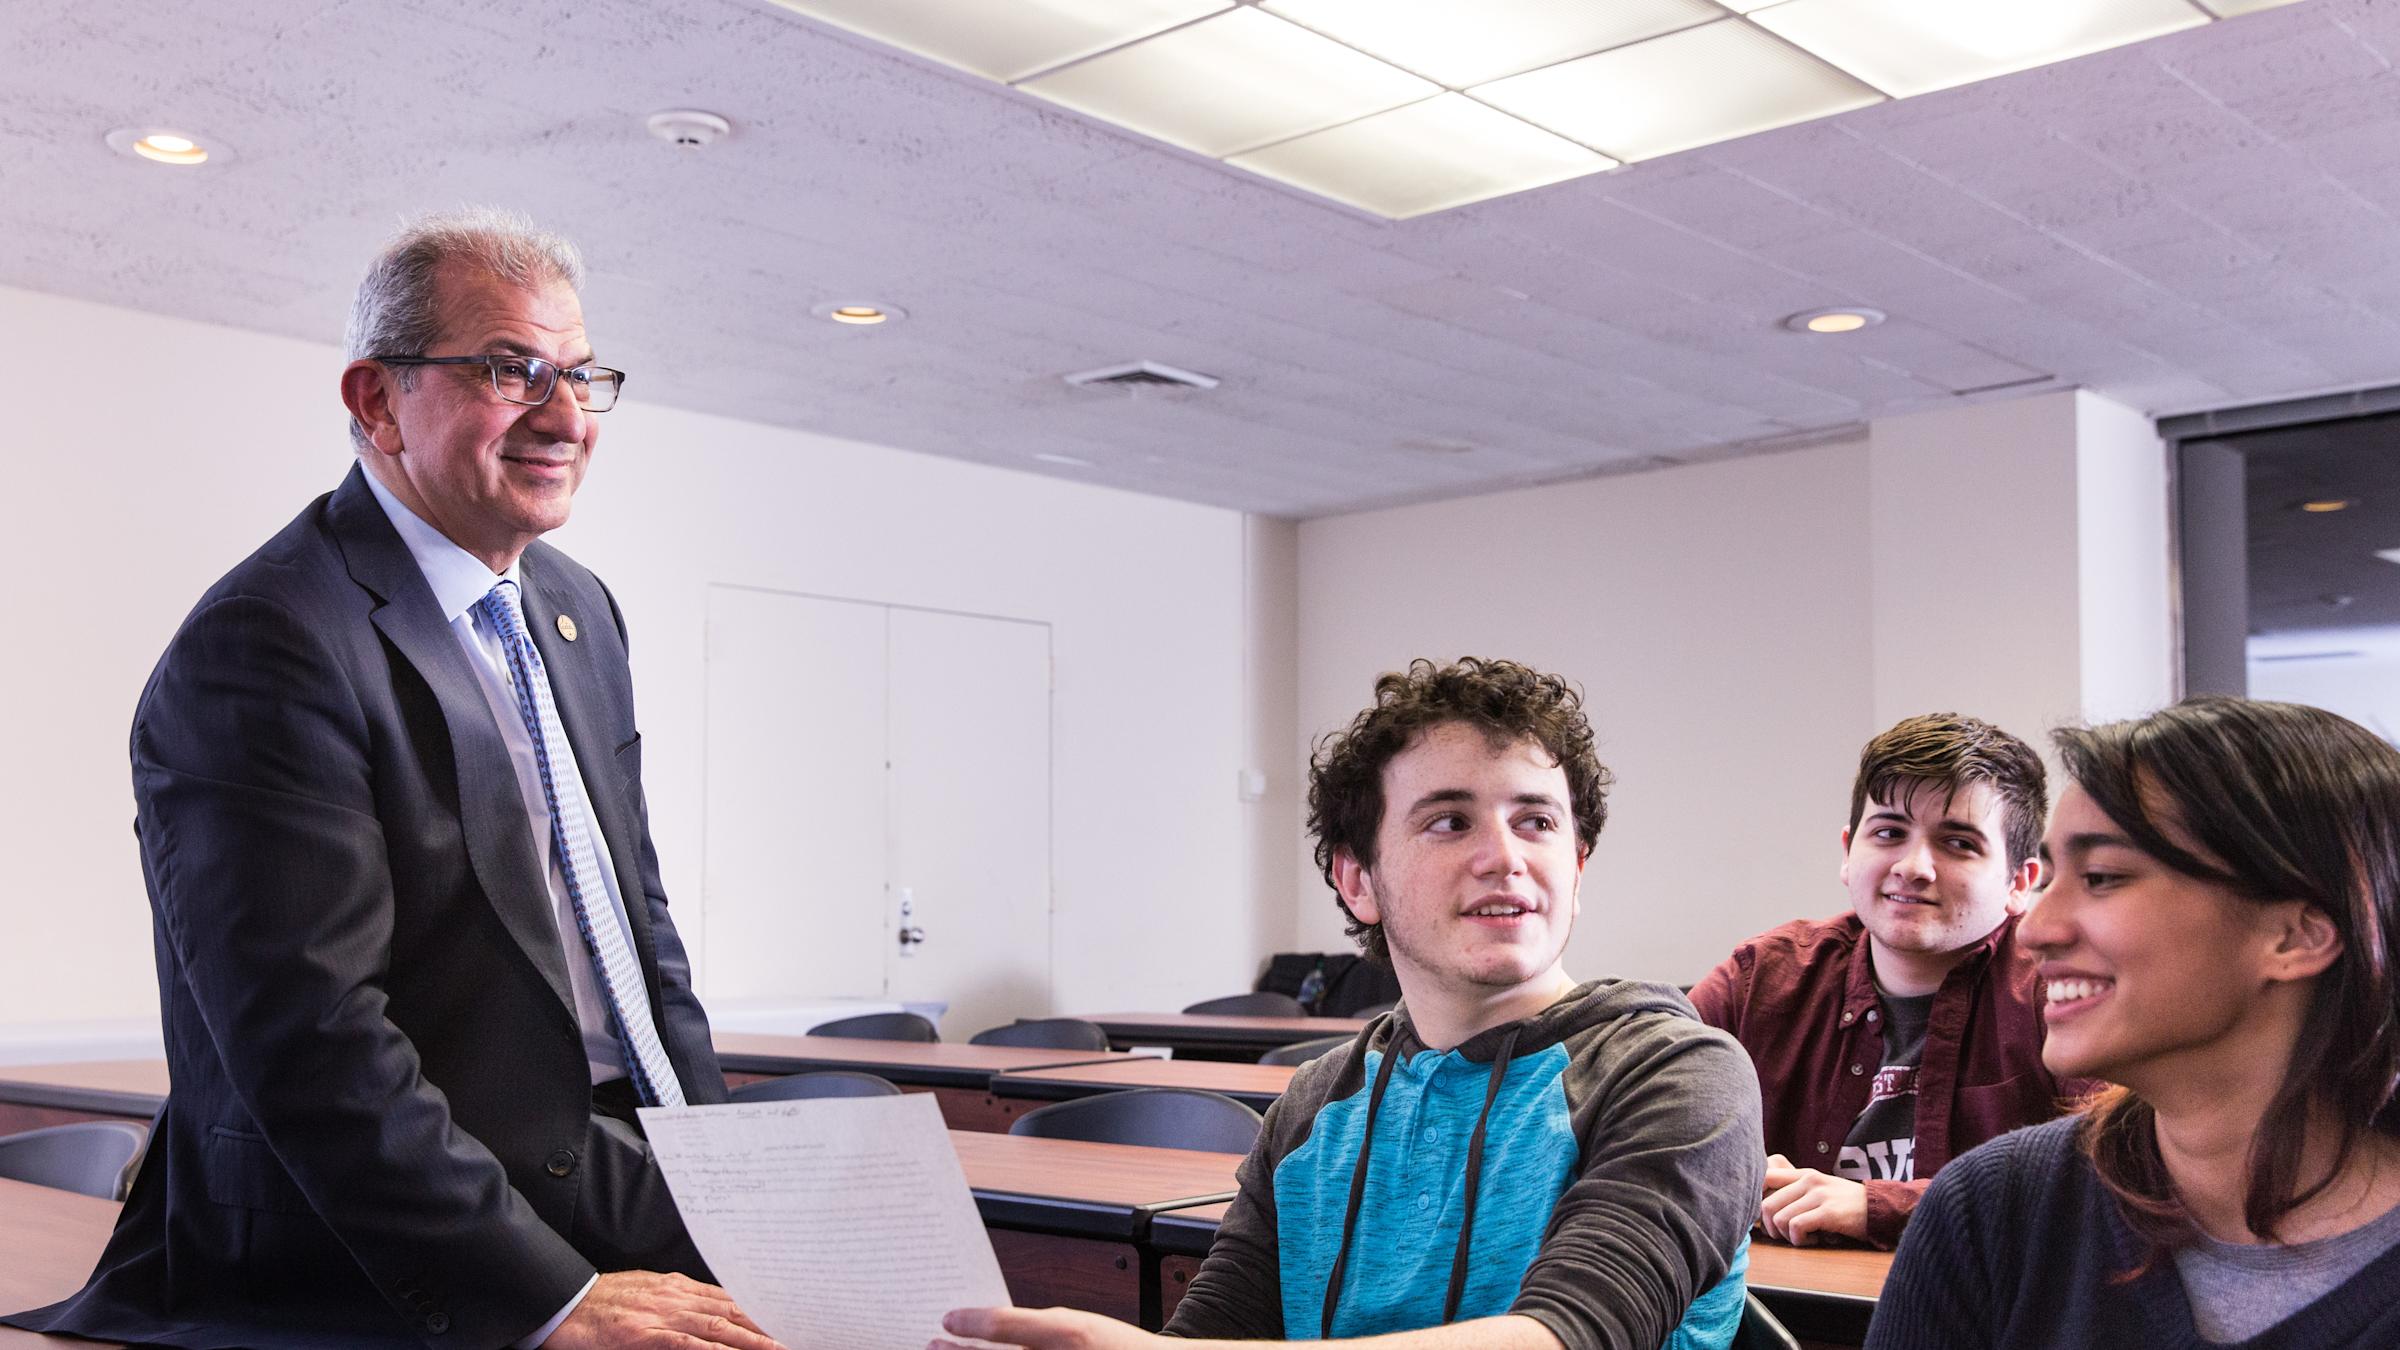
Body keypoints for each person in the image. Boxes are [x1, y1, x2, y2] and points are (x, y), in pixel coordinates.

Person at [5, 210, 777, 1350]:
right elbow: (309, 1034)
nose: (564, 417)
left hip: (621, 1163)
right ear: (377, 400)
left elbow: (635, 930)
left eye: (579, 375)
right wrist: (549, 1301)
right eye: (512, 371)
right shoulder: (269, 639)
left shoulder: (578, 607)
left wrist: (739, 1185)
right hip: (402, 1240)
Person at [937, 657, 1763, 1350]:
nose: (1504, 857)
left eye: (1536, 821)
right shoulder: (1320, 1100)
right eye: (1449, 821)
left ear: (1577, 868)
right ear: (1356, 879)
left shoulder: (1679, 1075)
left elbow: (1567, 1337)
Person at [1866, 697, 2400, 1349]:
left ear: (2296, 936)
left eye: (2102, 877)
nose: (2034, 930)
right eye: (2051, 876)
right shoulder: (1995, 1211)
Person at [1689, 713, 2085, 1249]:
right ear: (1850, 853)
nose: (1914, 866)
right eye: (1889, 833)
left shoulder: (2062, 989)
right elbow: (1631, 1119)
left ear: (2020, 881)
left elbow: (2107, 1182)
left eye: (1959, 843)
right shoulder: (1763, 978)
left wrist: (1878, 1207)